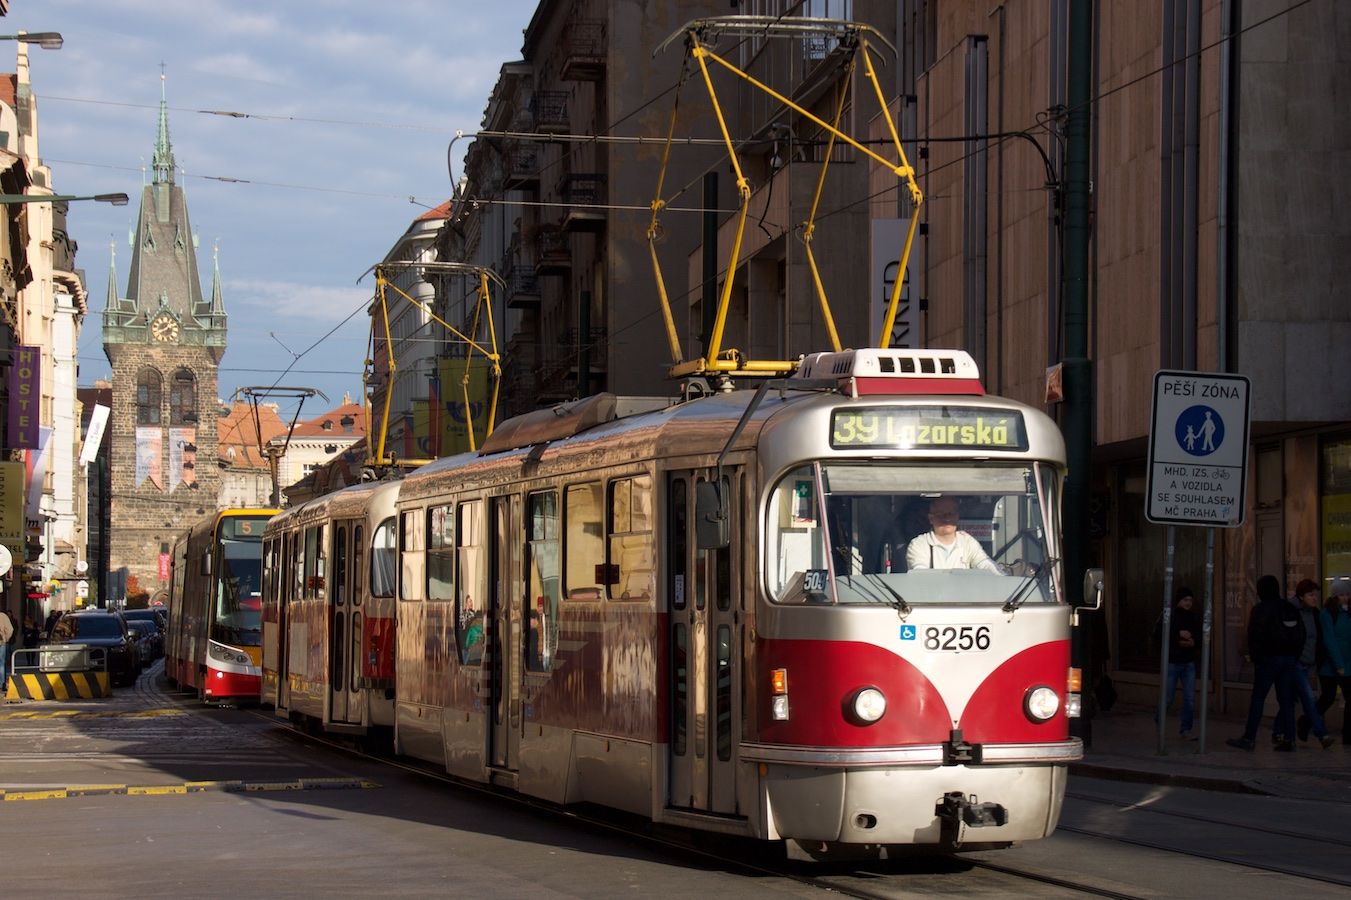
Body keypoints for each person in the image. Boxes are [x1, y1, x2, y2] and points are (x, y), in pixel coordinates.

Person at [1227, 575, 1304, 751]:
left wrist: (1257, 659)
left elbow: (1254, 636)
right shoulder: (1288, 608)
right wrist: (1294, 656)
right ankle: (1289, 739)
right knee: (1286, 701)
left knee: (1258, 698)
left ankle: (1249, 738)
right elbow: (1301, 634)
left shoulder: (1260, 609)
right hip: (1288, 659)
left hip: (1268, 660)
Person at [1291, 579, 1336, 747]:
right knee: (1309, 698)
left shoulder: (1315, 613)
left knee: (1291, 699)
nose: (1314, 598)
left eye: (1315, 595)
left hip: (1309, 664)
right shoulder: (1293, 611)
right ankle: (1322, 734)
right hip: (1296, 663)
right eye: (1311, 595)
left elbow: (1318, 639)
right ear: (1301, 596)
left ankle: (1279, 732)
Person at [905, 497, 1001, 573]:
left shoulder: (967, 541)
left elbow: (984, 563)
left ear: (957, 516)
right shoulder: (919, 544)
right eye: (940, 514)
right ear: (931, 518)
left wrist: (1002, 578)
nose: (947, 518)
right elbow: (920, 575)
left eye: (951, 513)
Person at [1159, 587, 1200, 740]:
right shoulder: (1170, 615)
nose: (1188, 603)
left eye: (1190, 600)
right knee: (1168, 697)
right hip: (1173, 661)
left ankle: (1186, 729)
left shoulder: (1193, 617)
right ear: (1179, 600)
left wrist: (1193, 643)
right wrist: (1178, 636)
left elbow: (1199, 636)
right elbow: (1159, 634)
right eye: (1185, 600)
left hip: (1188, 662)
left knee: (1189, 698)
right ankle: (1160, 721)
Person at [1314, 579, 1351, 745]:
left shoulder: (1348, 612)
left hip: (1348, 663)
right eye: (1341, 594)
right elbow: (1330, 641)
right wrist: (1339, 665)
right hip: (1331, 666)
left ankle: (1348, 736)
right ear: (1334, 596)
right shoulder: (1327, 614)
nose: (1345, 597)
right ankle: (1306, 721)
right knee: (1327, 698)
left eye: (1347, 594)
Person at [0, 608, 15, 686]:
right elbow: (10, 630)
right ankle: (1, 683)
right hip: (1, 642)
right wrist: (6, 639)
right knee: (1, 663)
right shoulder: (3, 616)